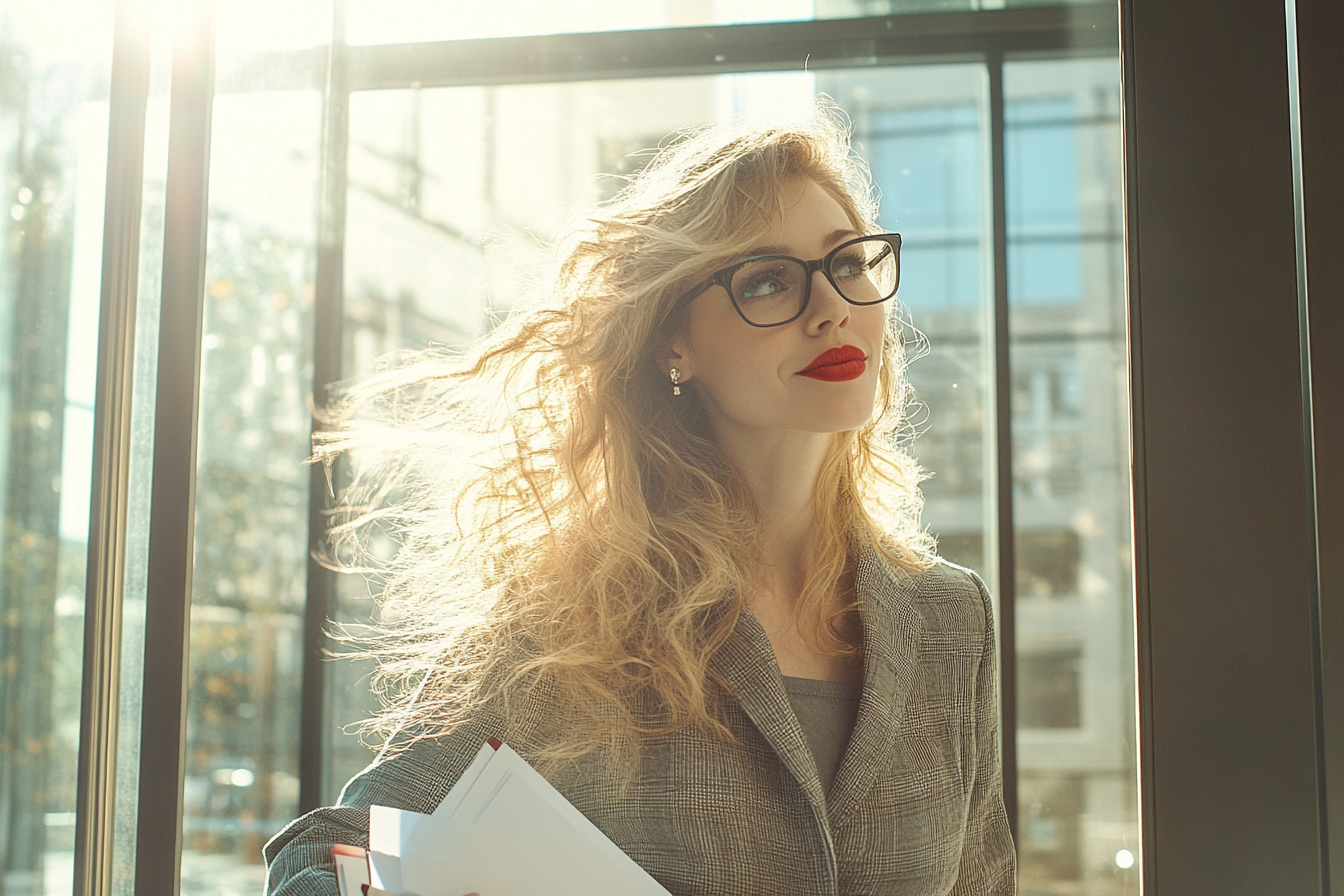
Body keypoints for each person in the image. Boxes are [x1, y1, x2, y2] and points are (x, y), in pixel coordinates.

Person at [264, 112, 1016, 896]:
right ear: (672, 346)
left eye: (847, 264)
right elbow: (326, 859)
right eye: (768, 280)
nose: (832, 308)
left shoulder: (950, 620)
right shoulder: (569, 622)